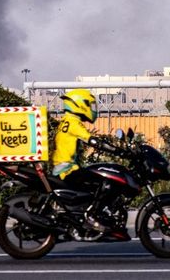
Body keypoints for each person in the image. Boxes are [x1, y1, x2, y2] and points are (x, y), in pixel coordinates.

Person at [51, 88, 122, 235]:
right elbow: (92, 140)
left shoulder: (65, 121)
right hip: (68, 171)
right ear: (80, 104)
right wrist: (113, 149)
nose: (92, 109)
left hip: (62, 168)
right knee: (106, 182)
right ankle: (92, 217)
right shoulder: (73, 123)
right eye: (89, 105)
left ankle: (87, 212)